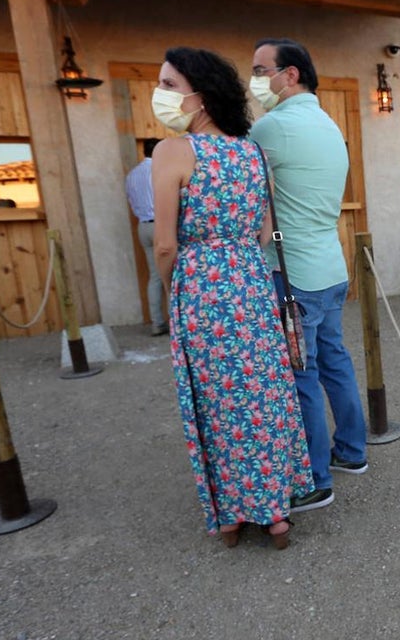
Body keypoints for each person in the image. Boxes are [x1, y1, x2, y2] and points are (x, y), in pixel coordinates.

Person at [151, 46, 313, 549]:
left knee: (217, 401)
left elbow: (164, 243)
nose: (160, 95)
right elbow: (265, 232)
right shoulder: (251, 153)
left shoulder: (172, 152)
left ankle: (231, 516)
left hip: (201, 287)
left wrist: (173, 284)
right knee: (262, 395)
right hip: (251, 283)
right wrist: (235, 252)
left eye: (169, 85)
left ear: (200, 97)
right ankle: (276, 511)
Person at [248, 37, 368, 514]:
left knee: (302, 374)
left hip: (292, 274)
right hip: (329, 266)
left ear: (290, 74)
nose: (256, 80)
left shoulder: (271, 127)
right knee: (334, 361)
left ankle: (316, 479)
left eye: (261, 70)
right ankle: (352, 452)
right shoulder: (328, 123)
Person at [124, 138, 167, 335]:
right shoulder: (160, 171)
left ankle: (157, 322)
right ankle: (178, 323)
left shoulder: (132, 175)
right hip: (162, 225)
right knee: (173, 274)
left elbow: (132, 203)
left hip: (143, 226)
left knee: (155, 277)